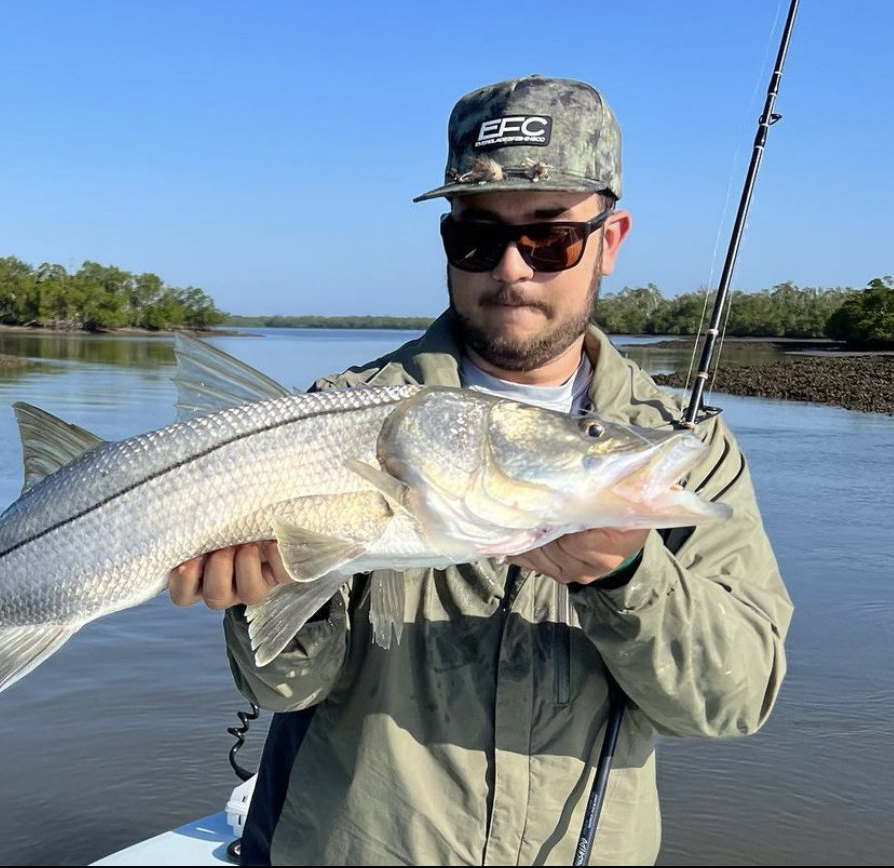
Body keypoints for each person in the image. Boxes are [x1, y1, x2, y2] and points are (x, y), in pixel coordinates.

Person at [167, 74, 793, 866]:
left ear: (610, 240)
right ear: (446, 240)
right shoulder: (334, 417)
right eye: (475, 236)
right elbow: (282, 691)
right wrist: (262, 595)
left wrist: (623, 578)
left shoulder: (677, 448)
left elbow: (731, 703)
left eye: (548, 236)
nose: (511, 268)